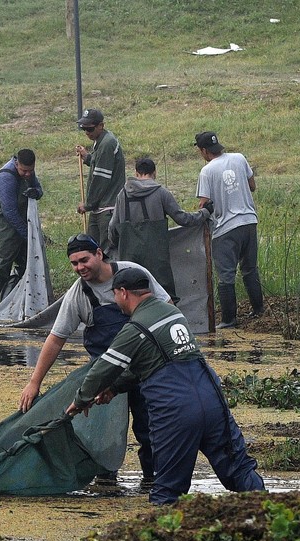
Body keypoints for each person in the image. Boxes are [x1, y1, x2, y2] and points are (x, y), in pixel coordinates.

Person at [65, 267, 266, 505]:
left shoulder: (134, 328)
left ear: (122, 292)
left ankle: (164, 537)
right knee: (239, 470)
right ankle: (271, 519)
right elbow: (156, 361)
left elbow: (101, 370)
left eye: (115, 295)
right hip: (211, 396)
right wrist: (116, 388)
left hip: (175, 408)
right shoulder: (172, 313)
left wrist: (80, 401)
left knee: (168, 491)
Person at [19, 233, 169, 489]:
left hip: (146, 369)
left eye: (84, 260)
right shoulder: (78, 294)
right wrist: (34, 382)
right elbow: (56, 339)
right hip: (106, 376)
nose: (80, 268)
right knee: (103, 433)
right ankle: (105, 480)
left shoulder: (134, 273)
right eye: (74, 264)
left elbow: (164, 309)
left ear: (99, 254)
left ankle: (154, 480)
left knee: (151, 428)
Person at [109, 156, 212, 301]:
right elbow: (183, 219)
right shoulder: (161, 193)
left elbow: (113, 228)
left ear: (137, 173)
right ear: (154, 172)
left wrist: (115, 245)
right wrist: (205, 212)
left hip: (129, 260)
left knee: (132, 297)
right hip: (157, 260)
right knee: (165, 297)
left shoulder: (122, 195)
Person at [194, 131, 263, 329]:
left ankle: (229, 319)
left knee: (226, 275)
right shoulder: (239, 158)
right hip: (249, 222)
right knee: (250, 269)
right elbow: (252, 186)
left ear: (204, 151)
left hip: (225, 229)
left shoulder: (207, 171)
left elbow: (204, 203)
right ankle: (258, 309)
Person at [0, 149, 43, 314]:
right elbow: (9, 212)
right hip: (6, 229)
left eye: (30, 171)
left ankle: (6, 307)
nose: (27, 174)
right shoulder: (5, 178)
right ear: (16, 163)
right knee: (0, 268)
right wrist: (27, 235)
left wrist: (36, 192)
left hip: (21, 226)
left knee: (25, 266)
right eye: (24, 171)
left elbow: (39, 189)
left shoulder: (28, 173)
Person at [75, 109, 125, 250]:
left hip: (108, 208)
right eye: (83, 128)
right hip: (99, 207)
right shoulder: (100, 141)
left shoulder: (107, 144)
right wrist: (88, 157)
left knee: (105, 251)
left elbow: (100, 179)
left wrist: (88, 204)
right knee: (92, 248)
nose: (86, 132)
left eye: (90, 128)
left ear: (101, 126)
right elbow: (102, 163)